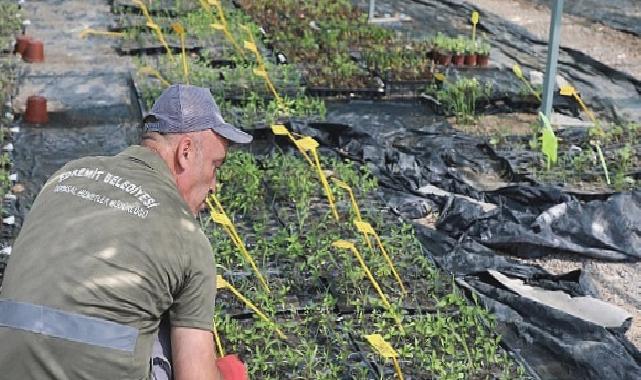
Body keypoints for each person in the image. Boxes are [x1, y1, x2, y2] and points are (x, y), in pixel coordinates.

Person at [0, 84, 250, 380]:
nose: (213, 185)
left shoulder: (67, 174)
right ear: (185, 152)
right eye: (215, 166)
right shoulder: (186, 236)